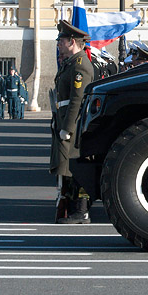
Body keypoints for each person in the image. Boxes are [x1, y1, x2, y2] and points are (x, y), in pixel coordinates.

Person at [50, 20, 95, 224]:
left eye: (62, 40)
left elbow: (77, 98)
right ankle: (71, 208)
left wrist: (67, 128)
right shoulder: (70, 63)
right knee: (67, 168)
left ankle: (81, 211)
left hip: (74, 124)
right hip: (65, 120)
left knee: (76, 169)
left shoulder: (80, 65)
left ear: (72, 42)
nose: (58, 43)